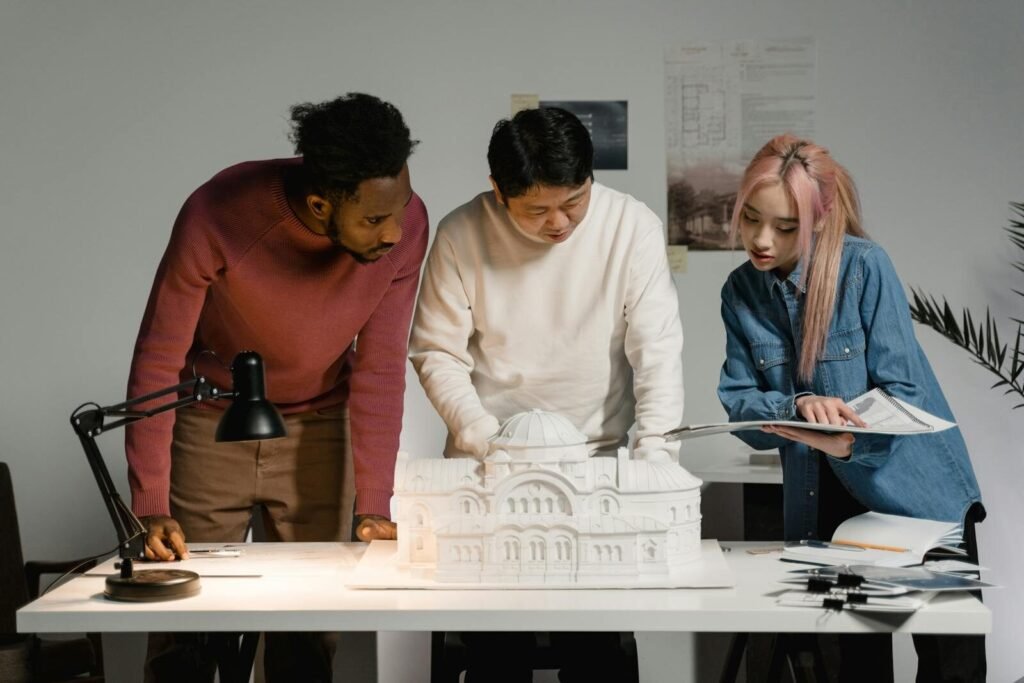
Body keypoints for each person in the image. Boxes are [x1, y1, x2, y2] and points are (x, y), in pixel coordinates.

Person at [125, 93, 428, 682]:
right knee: (183, 627)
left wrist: (374, 502)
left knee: (309, 632)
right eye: (372, 219)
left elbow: (382, 367)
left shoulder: (406, 225)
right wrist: (150, 504)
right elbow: (159, 357)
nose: (394, 231)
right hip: (212, 421)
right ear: (319, 205)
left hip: (319, 428)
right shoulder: (217, 213)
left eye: (401, 207)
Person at [409, 106, 684, 682]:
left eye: (574, 201)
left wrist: (656, 462)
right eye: (537, 210)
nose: (559, 223)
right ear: (498, 191)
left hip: (597, 464)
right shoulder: (462, 232)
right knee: (495, 657)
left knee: (597, 656)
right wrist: (486, 442)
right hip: (490, 466)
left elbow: (655, 351)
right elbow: (437, 353)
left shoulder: (631, 226)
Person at [717, 133, 985, 682]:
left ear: (821, 216)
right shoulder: (740, 291)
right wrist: (800, 405)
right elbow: (741, 407)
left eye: (786, 227)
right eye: (750, 218)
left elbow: (903, 392)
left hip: (916, 497)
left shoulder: (864, 268)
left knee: (950, 668)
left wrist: (849, 439)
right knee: (849, 670)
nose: (761, 240)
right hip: (824, 509)